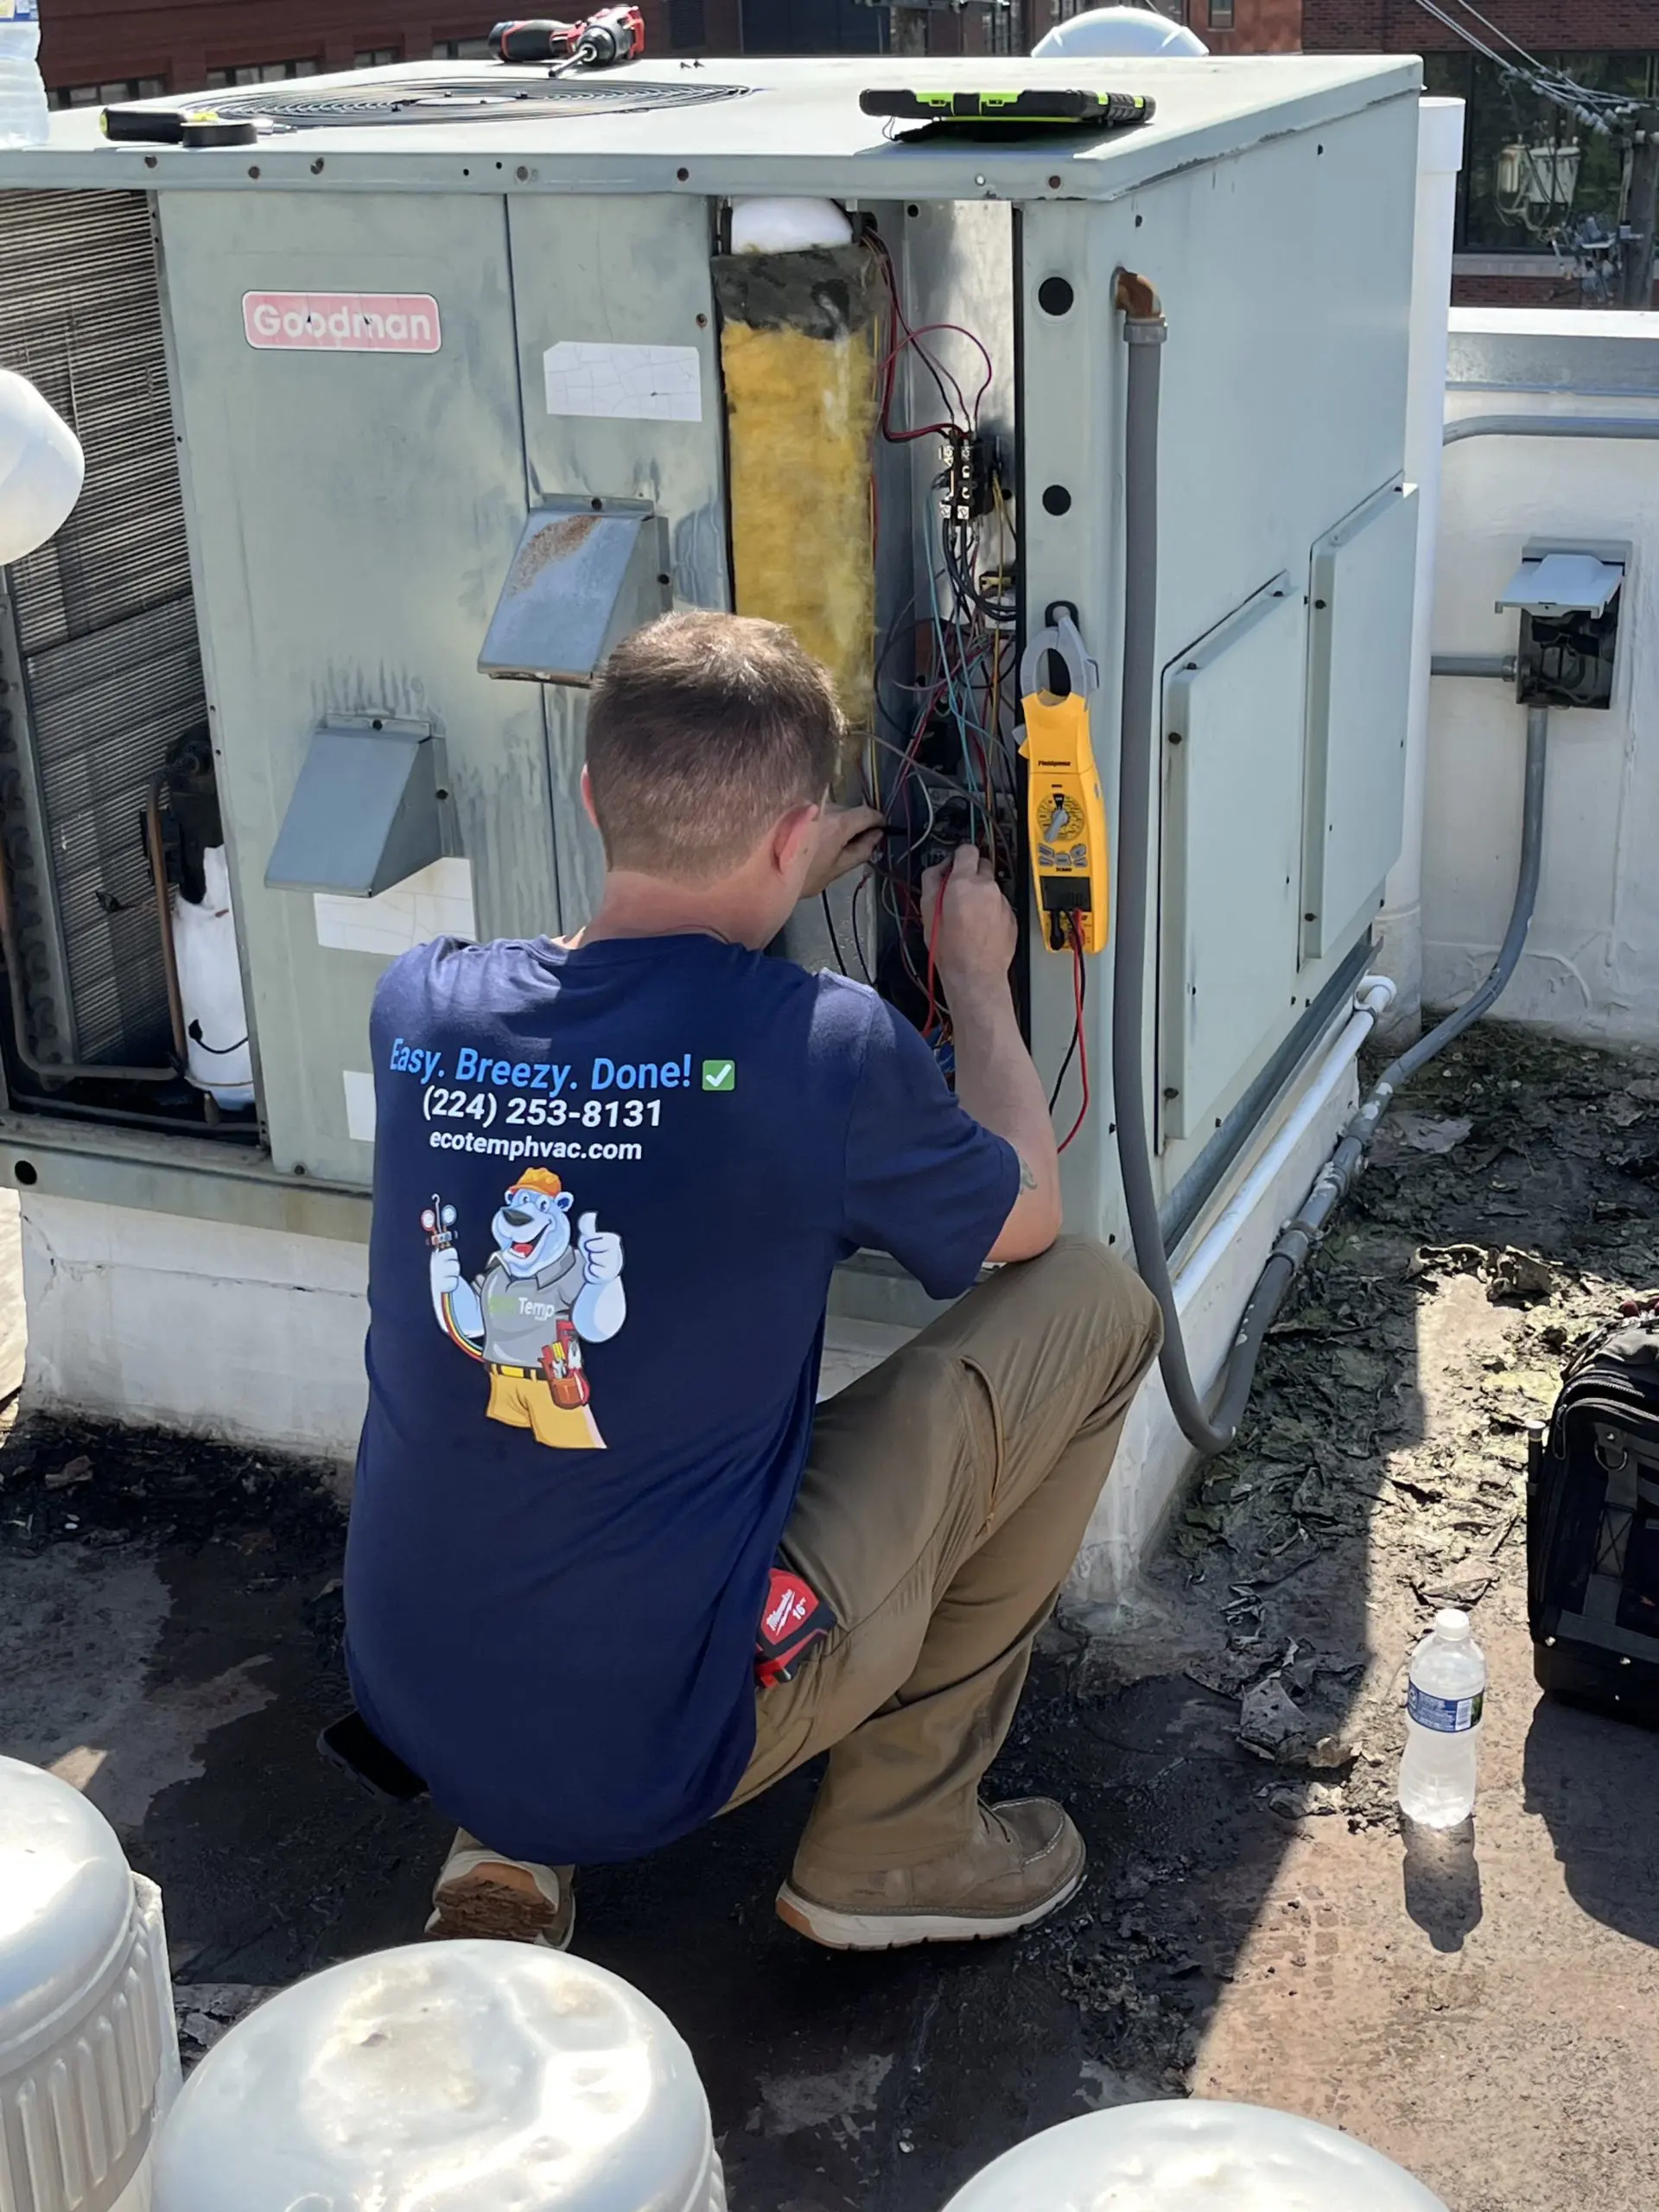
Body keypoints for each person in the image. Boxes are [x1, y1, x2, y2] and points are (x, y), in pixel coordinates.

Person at [344, 611, 1162, 1953]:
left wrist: (733, 880)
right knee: (1097, 1307)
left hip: (416, 1702)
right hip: (660, 1749)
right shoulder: (825, 1047)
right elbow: (1028, 1216)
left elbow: (592, 1019)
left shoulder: (421, 1004)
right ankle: (899, 1846)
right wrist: (979, 983)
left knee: (535, 1446)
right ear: (797, 839)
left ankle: (506, 1837)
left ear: (593, 794)